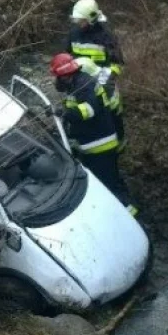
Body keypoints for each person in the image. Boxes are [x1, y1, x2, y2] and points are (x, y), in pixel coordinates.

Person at [49, 52, 136, 216]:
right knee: (111, 180)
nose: (55, 81)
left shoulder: (84, 85)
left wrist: (65, 113)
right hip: (93, 144)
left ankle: (129, 214)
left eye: (57, 77)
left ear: (64, 75)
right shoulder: (75, 84)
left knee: (108, 183)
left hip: (100, 145)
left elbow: (89, 111)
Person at [74, 56, 125, 151]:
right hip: (116, 104)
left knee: (116, 127)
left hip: (112, 107)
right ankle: (120, 144)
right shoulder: (104, 72)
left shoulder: (98, 82)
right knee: (118, 125)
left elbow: (99, 101)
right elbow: (116, 69)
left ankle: (119, 147)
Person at [67, 0, 125, 76]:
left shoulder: (106, 35)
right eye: (77, 19)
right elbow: (67, 55)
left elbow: (117, 63)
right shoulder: (74, 33)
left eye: (81, 20)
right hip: (78, 78)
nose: (78, 23)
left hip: (99, 78)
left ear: (90, 18)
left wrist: (108, 77)